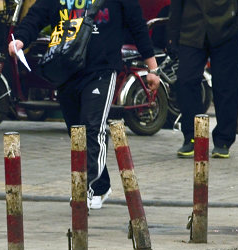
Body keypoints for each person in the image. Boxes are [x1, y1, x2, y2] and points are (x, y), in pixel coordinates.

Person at [10, 0, 161, 209]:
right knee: (77, 132)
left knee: (93, 126)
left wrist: (152, 69)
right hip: (67, 68)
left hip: (102, 68)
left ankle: (86, 189)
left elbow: (137, 25)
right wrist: (20, 40)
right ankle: (101, 186)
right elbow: (35, 16)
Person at [169, 0, 238, 159]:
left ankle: (223, 140)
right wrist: (172, 35)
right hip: (192, 30)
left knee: (226, 86)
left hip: (226, 30)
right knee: (185, 81)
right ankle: (192, 136)